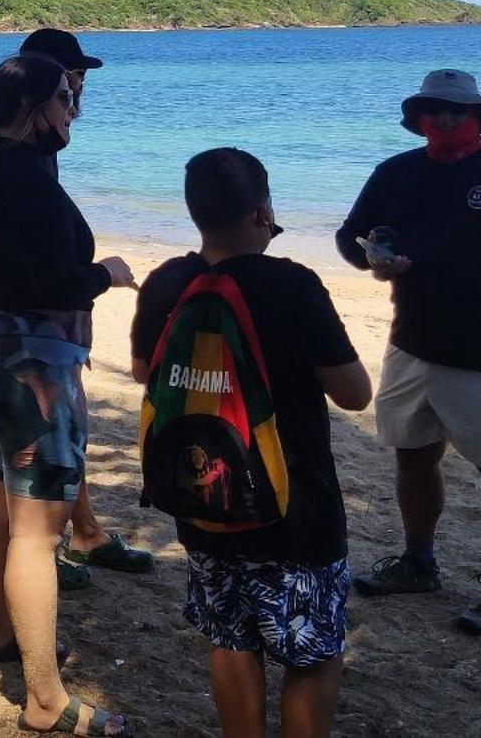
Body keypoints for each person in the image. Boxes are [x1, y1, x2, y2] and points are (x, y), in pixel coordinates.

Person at [132, 148, 372, 738]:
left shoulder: (168, 280)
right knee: (312, 654)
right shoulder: (294, 284)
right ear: (263, 211)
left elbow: (145, 371)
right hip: (295, 508)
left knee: (231, 639)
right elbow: (354, 393)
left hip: (204, 495)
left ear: (195, 215)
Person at [333, 69, 481, 634]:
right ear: (417, 117)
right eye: (433, 109)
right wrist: (372, 258)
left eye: (456, 110)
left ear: (478, 117)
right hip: (411, 343)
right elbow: (350, 237)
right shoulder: (395, 172)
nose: (443, 119)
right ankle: (419, 562)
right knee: (412, 457)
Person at [0, 53, 137, 736]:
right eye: (65, 98)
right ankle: (46, 700)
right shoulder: (24, 176)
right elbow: (48, 281)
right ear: (34, 109)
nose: (71, 110)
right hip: (29, 363)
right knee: (35, 534)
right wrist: (105, 274)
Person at [19, 27, 156, 586]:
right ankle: (45, 550)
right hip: (30, 328)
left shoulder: (26, 147)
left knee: (61, 433)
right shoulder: (18, 155)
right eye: (72, 81)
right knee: (36, 441)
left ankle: (85, 532)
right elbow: (34, 266)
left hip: (41, 326)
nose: (78, 91)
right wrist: (101, 276)